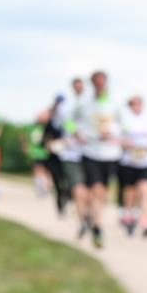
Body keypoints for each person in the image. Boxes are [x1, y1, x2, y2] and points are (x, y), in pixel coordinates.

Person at [78, 70, 122, 249]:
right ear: (92, 84)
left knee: (103, 193)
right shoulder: (84, 104)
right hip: (91, 152)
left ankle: (94, 217)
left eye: (102, 82)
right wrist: (76, 133)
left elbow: (124, 125)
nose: (100, 85)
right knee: (96, 190)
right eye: (96, 82)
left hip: (111, 153)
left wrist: (114, 134)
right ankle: (98, 227)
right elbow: (69, 121)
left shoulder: (115, 104)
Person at [118, 95, 147, 238]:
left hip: (146, 161)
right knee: (130, 191)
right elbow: (118, 139)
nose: (135, 106)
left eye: (137, 103)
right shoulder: (124, 120)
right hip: (129, 161)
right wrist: (126, 144)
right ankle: (129, 214)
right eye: (132, 104)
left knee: (146, 191)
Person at [53, 78, 91, 237]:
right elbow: (63, 123)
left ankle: (89, 215)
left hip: (91, 154)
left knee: (90, 191)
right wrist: (76, 134)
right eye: (76, 86)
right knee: (77, 188)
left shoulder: (93, 105)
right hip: (71, 153)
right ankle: (82, 220)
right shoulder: (65, 107)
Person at [25, 111, 52, 197]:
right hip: (37, 153)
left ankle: (44, 188)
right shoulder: (34, 128)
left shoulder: (44, 127)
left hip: (44, 153)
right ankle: (41, 188)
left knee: (45, 171)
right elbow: (28, 139)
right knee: (39, 171)